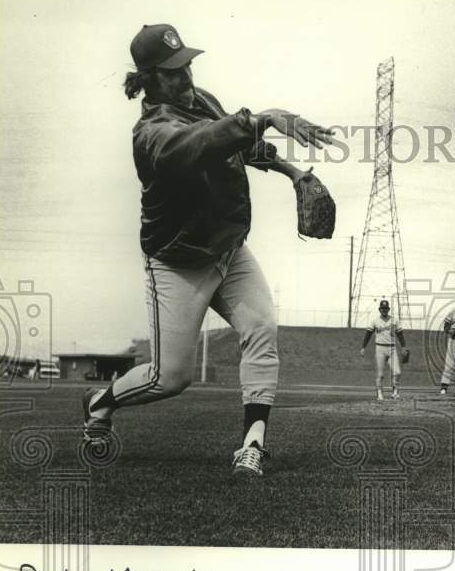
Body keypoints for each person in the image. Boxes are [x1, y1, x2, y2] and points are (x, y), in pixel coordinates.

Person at [80, 24, 333, 477]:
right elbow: (201, 145)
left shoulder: (202, 101)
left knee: (261, 330)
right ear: (150, 78)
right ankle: (100, 402)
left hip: (228, 250)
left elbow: (245, 145)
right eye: (174, 70)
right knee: (169, 378)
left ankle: (251, 446)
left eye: (188, 64)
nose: (186, 75)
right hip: (178, 262)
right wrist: (265, 115)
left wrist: (293, 173)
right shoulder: (151, 134)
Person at [360, 299, 407, 401]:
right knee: (380, 374)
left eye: (386, 308)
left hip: (392, 349)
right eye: (382, 308)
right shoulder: (375, 321)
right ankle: (380, 394)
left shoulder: (394, 320)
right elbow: (368, 334)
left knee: (397, 372)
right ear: (379, 309)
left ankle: (395, 391)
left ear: (388, 309)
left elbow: (400, 334)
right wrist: (363, 347)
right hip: (380, 349)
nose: (384, 310)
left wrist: (403, 346)